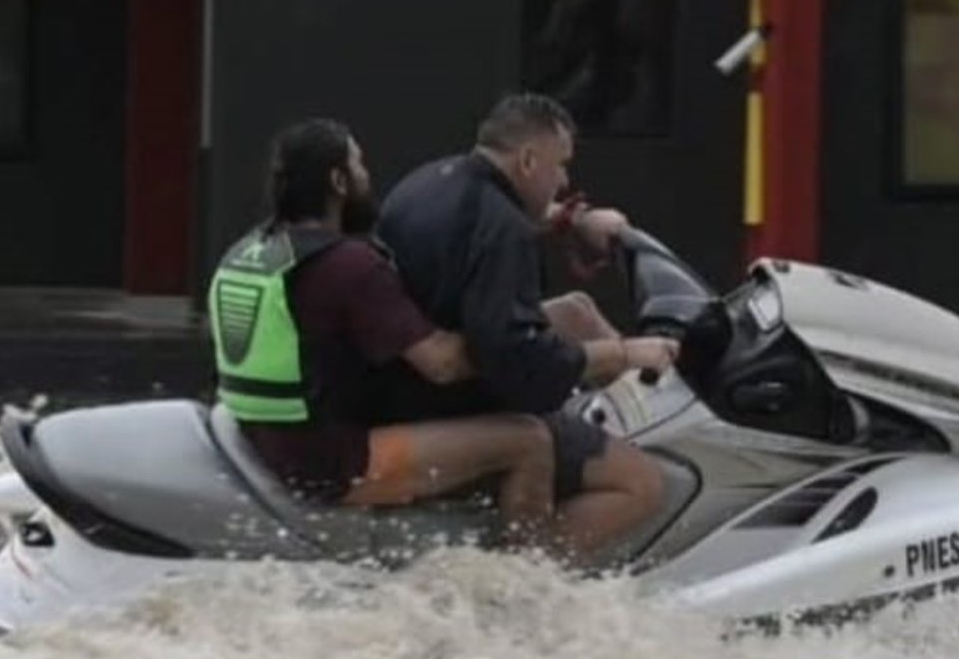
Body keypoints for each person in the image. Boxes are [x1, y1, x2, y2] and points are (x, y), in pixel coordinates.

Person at [207, 119, 555, 541]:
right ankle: (532, 584)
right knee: (528, 441)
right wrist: (521, 343)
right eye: (359, 164)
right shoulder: (349, 266)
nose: (367, 176)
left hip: (264, 440)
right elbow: (442, 364)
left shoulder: (251, 251)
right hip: (331, 464)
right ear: (339, 180)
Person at [374, 93, 679, 564]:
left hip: (398, 377)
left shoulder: (431, 181)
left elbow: (480, 233)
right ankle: (527, 583)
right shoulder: (504, 231)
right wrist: (626, 353)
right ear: (529, 160)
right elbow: (521, 365)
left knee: (577, 310)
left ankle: (641, 409)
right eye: (561, 166)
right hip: (443, 406)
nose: (565, 179)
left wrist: (572, 217)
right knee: (640, 482)